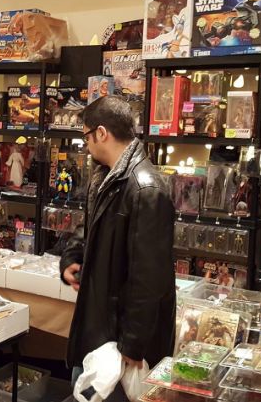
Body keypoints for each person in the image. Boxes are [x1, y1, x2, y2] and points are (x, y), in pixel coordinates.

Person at [60, 96, 175, 401]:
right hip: (100, 329)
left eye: (86, 136)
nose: (86, 145)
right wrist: (71, 258)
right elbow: (91, 227)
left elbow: (148, 278)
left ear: (101, 133)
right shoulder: (106, 176)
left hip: (120, 343)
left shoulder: (146, 189)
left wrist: (133, 344)